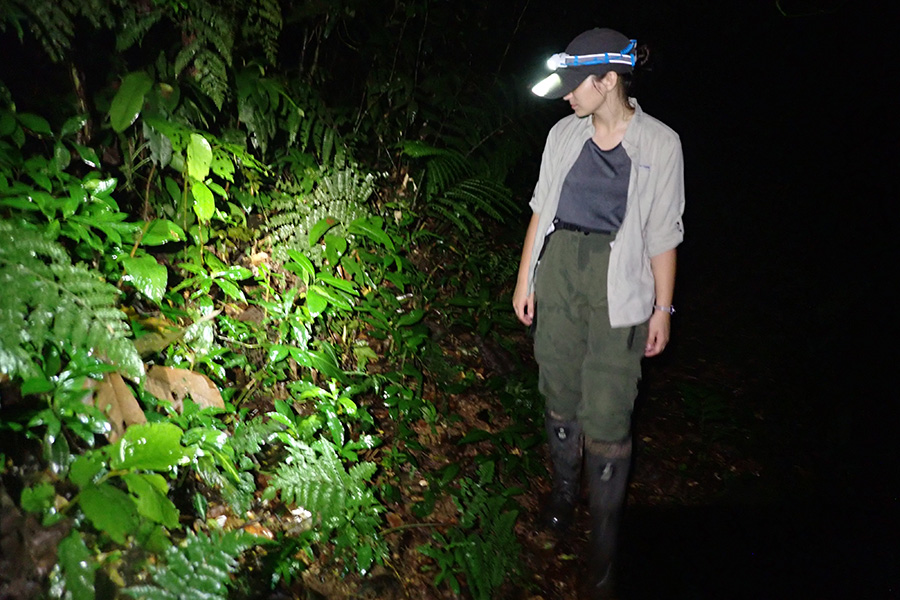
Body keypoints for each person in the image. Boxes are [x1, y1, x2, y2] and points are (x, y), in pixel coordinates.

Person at [512, 27, 685, 598]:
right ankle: (564, 495)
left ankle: (605, 550)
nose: (566, 96)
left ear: (608, 81)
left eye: (574, 86)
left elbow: (664, 234)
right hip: (561, 267)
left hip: (623, 277)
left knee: (609, 409)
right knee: (558, 386)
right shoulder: (564, 134)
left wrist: (662, 307)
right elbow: (541, 209)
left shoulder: (661, 144)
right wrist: (525, 277)